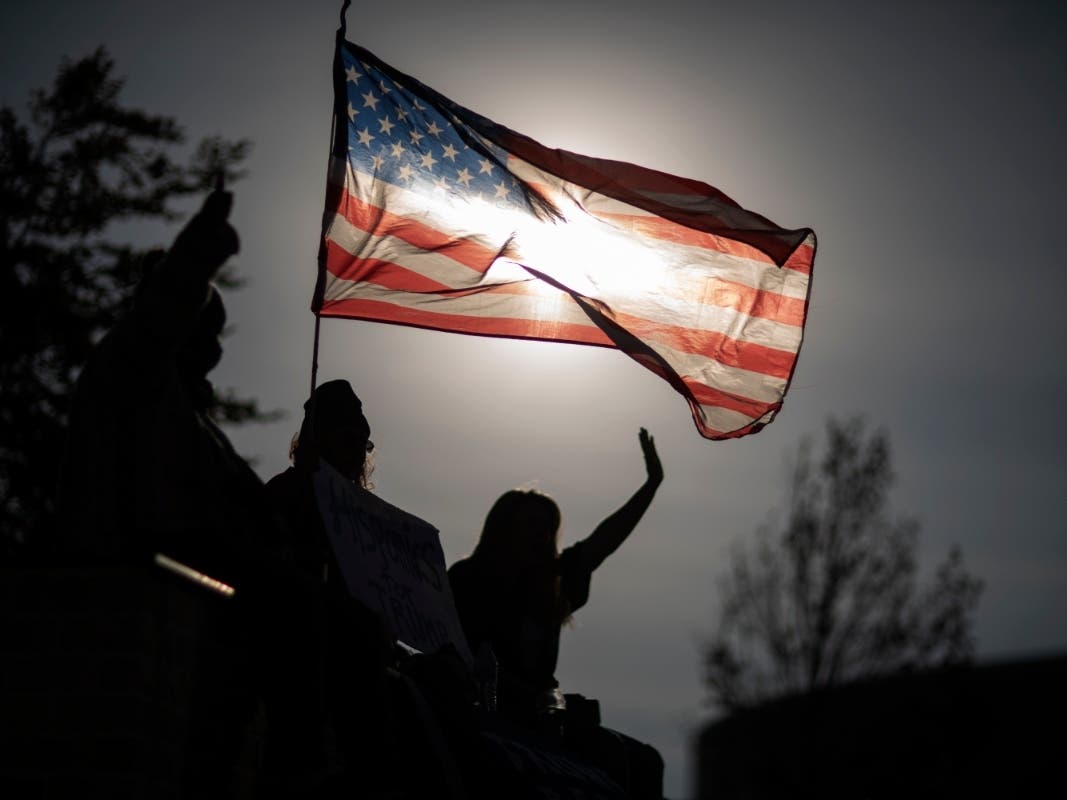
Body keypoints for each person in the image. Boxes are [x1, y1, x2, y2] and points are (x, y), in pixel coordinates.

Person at [447, 428, 664, 725]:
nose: (542, 533)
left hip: (542, 714)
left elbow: (605, 540)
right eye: (532, 523)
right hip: (481, 710)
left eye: (547, 526)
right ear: (505, 527)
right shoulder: (468, 578)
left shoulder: (554, 581)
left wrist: (651, 485)